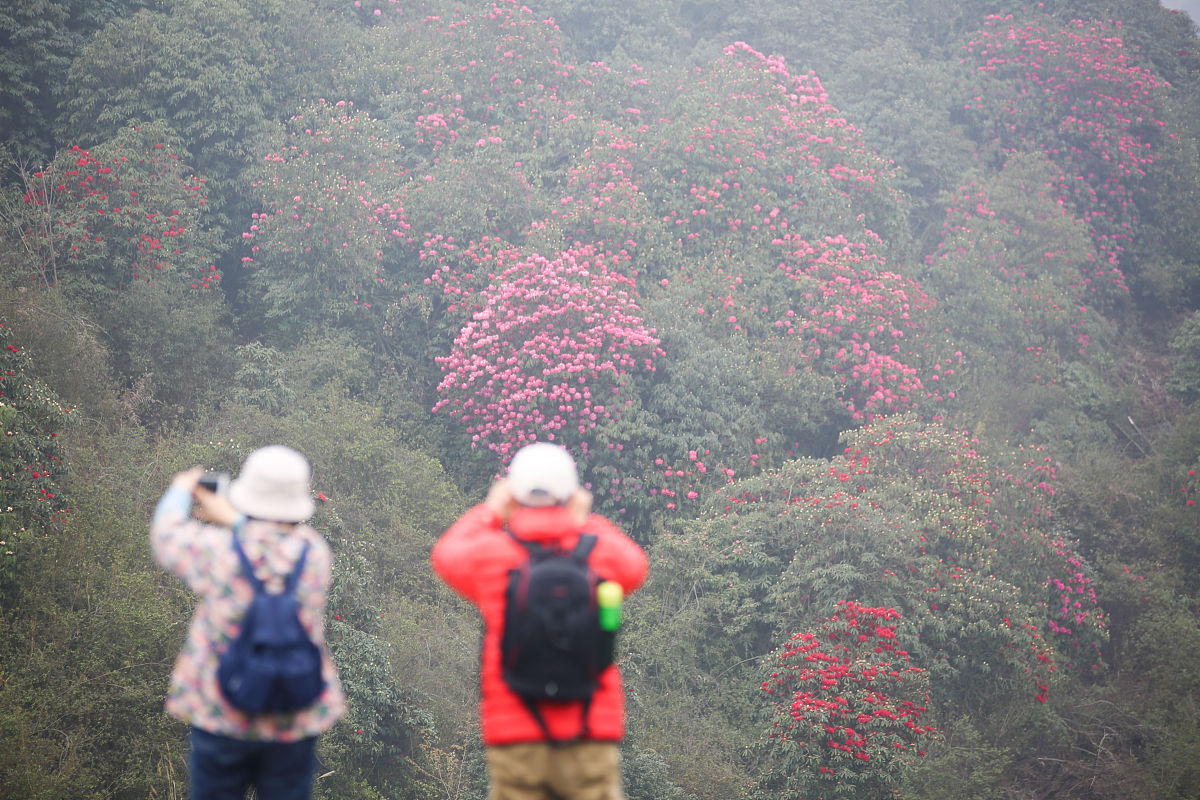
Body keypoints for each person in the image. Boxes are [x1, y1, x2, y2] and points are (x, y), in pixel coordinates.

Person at [432, 442, 649, 800]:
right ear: (572, 495)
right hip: (588, 729)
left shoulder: (493, 554)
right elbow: (636, 565)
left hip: (515, 732)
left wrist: (492, 510)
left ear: (514, 494)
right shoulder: (599, 553)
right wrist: (584, 520)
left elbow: (445, 555)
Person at [151, 445, 346, 800]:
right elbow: (271, 547)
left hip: (221, 710)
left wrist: (181, 488)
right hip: (293, 712)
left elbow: (165, 534)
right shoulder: (314, 552)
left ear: (247, 495)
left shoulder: (217, 550)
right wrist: (234, 520)